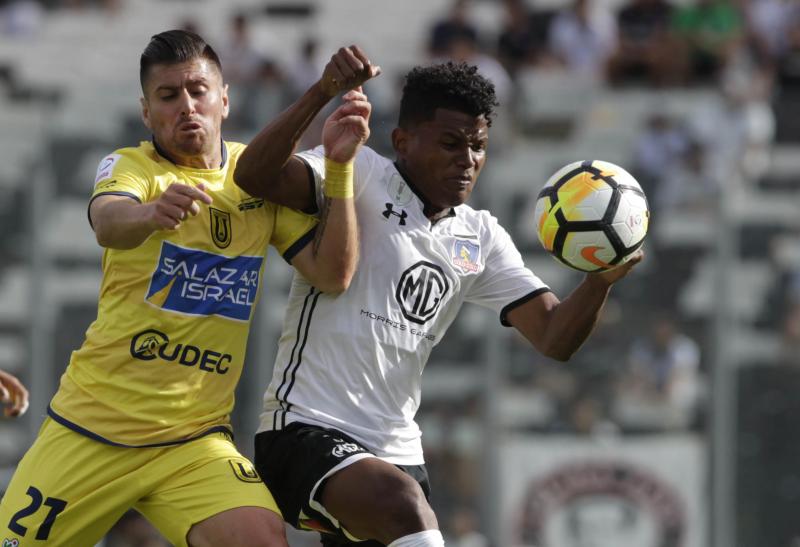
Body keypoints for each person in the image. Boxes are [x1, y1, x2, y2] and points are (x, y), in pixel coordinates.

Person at [235, 61, 642, 546]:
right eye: (452, 144)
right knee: (406, 510)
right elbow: (254, 175)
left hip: (397, 448)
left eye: (479, 146)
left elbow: (555, 337)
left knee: (403, 502)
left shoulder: (481, 236)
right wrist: (320, 92)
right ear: (404, 140)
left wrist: (599, 281)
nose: (467, 159)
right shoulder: (359, 170)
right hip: (304, 429)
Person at [0, 30, 375, 546]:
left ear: (225, 98)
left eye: (198, 91)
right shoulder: (132, 168)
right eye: (168, 95)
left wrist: (338, 167)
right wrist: (150, 215)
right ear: (146, 111)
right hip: (91, 430)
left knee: (262, 540)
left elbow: (333, 274)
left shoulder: (256, 179)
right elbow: (108, 222)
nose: (187, 106)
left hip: (193, 443)